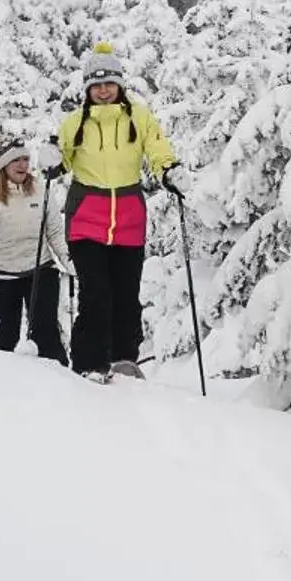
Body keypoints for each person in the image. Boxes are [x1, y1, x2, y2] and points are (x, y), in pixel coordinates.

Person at [53, 44, 181, 383]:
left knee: (126, 293)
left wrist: (168, 170)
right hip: (86, 217)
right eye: (96, 85)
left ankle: (125, 359)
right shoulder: (74, 122)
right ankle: (89, 362)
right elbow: (60, 155)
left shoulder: (138, 117)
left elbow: (157, 148)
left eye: (109, 83)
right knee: (96, 293)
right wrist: (50, 161)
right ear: (87, 90)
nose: (104, 90)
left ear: (120, 85)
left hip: (127, 218)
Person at [0, 140, 70, 362]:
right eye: (15, 160)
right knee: (4, 339)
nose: (22, 165)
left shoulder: (40, 191)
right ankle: (3, 387)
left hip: (40, 269)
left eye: (25, 159)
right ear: (2, 165)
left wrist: (69, 260)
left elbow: (55, 232)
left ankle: (61, 385)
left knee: (46, 334)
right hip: (0, 275)